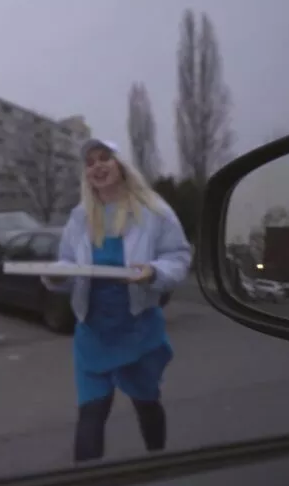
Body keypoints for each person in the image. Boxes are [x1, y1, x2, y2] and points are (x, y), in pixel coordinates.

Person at [41, 138, 192, 463]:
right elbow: (68, 262)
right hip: (93, 332)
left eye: (104, 158)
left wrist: (153, 272)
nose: (97, 166)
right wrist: (57, 276)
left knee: (147, 403)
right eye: (90, 162)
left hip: (138, 329)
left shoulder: (154, 211)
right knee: (91, 412)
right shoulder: (80, 217)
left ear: (121, 164)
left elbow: (178, 257)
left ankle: (158, 463)